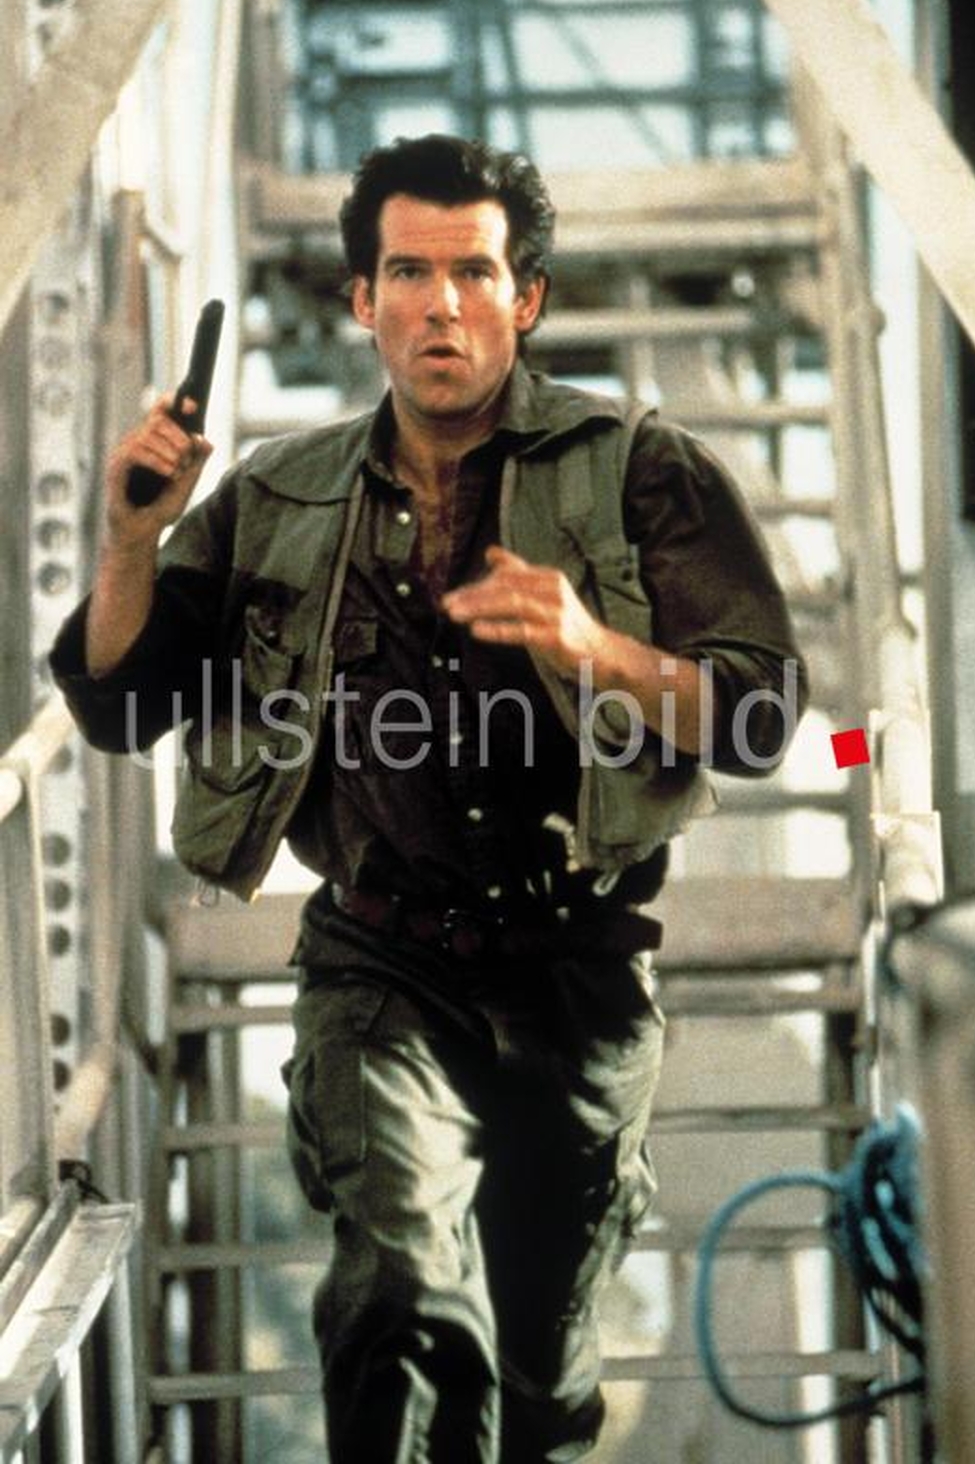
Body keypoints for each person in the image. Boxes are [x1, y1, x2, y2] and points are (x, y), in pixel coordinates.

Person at [52, 134, 807, 1463]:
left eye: (474, 273)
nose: (440, 305)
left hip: (580, 968)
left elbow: (761, 717)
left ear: (528, 299)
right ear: (363, 299)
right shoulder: (277, 495)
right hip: (380, 961)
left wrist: (595, 647)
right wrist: (130, 540)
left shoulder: (646, 469)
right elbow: (123, 701)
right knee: (403, 1293)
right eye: (408, 273)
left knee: (540, 1380)